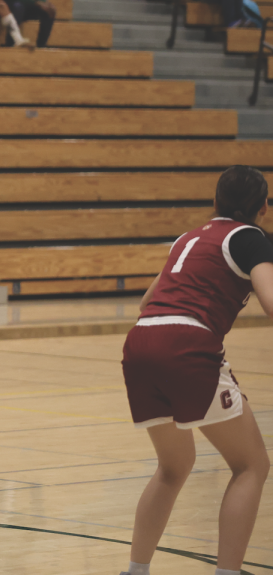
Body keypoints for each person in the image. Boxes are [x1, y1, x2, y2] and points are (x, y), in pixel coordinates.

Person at [120, 165, 272, 575]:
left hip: (140, 342)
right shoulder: (252, 238)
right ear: (263, 209)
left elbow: (147, 300)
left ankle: (135, 570)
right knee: (252, 465)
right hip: (186, 345)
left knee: (173, 466)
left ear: (215, 202)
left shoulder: (189, 238)